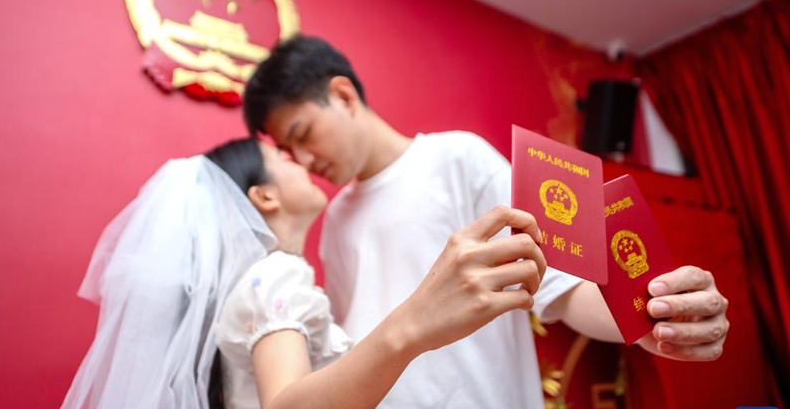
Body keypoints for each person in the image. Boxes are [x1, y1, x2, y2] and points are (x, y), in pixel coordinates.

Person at [242, 34, 731, 408]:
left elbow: (561, 284)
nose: (303, 159)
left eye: (303, 134)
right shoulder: (334, 221)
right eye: (287, 151)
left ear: (344, 96)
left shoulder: (457, 159)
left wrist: (649, 321)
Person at [61, 138, 549, 409]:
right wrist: (414, 325)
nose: (301, 161)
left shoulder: (261, 282)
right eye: (283, 157)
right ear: (265, 196)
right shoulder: (276, 277)